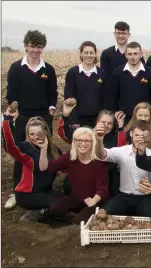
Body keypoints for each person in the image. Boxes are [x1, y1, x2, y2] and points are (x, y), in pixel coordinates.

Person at [5, 30, 57, 210]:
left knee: (45, 152)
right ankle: (17, 191)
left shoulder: (48, 69)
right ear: (26, 46)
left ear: (43, 47)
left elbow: (53, 94)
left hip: (43, 117)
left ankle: (44, 187)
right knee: (22, 155)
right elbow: (11, 95)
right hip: (23, 118)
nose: (35, 50)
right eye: (32, 46)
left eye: (39, 47)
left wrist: (50, 111)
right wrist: (14, 109)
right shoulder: (16, 68)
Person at [94, 120, 151, 217]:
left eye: (143, 136)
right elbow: (102, 155)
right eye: (137, 135)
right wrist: (99, 140)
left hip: (145, 197)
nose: (140, 140)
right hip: (123, 196)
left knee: (149, 216)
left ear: (148, 137)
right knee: (104, 212)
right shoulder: (122, 151)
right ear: (131, 134)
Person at [38, 127, 109, 224]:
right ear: (74, 142)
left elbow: (103, 189)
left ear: (92, 142)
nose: (83, 144)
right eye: (79, 140)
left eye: (87, 141)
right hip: (76, 197)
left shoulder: (99, 162)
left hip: (94, 200)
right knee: (55, 208)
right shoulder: (70, 157)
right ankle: (71, 217)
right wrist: (43, 149)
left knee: (80, 221)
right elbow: (46, 168)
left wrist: (94, 200)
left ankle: (76, 218)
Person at [2, 111, 63, 222]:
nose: (35, 137)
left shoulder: (54, 150)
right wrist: (7, 120)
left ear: (45, 132)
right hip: (27, 195)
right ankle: (39, 213)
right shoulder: (25, 149)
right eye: (31, 134)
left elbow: (66, 167)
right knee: (60, 204)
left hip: (46, 191)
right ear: (28, 135)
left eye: (38, 133)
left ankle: (46, 210)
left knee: (69, 201)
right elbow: (10, 146)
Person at [57, 100, 125, 197]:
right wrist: (65, 116)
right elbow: (66, 135)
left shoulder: (114, 138)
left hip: (104, 176)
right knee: (68, 185)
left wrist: (121, 126)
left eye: (109, 123)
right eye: (103, 122)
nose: (106, 125)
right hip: (83, 172)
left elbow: (121, 147)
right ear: (97, 122)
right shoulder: (87, 132)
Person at [109, 42, 151, 123]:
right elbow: (113, 98)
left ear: (141, 54)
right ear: (126, 55)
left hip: (144, 119)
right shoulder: (117, 73)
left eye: (135, 54)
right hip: (124, 120)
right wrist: (115, 114)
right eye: (130, 54)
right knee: (122, 136)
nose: (133, 57)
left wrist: (150, 115)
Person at [64, 41, 106, 127]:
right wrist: (73, 120)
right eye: (86, 52)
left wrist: (103, 119)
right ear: (81, 54)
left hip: (97, 120)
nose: (89, 55)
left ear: (95, 54)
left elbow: (105, 97)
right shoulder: (73, 73)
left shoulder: (101, 73)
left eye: (91, 53)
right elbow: (69, 97)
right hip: (79, 119)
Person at [100, 21, 145, 92]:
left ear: (129, 35)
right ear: (114, 34)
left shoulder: (137, 54)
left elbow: (142, 74)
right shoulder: (106, 54)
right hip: (113, 93)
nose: (121, 36)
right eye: (118, 33)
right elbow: (104, 76)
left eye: (124, 33)